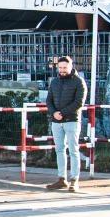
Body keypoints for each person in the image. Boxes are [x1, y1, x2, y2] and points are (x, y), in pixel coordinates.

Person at [44, 56, 87, 193]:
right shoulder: (55, 82)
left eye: (65, 68)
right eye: (60, 68)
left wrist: (61, 112)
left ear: (71, 67)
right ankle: (61, 178)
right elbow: (48, 100)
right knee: (60, 150)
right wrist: (53, 113)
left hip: (72, 121)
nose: (62, 70)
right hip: (56, 122)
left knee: (73, 150)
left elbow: (79, 103)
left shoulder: (79, 82)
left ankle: (74, 180)